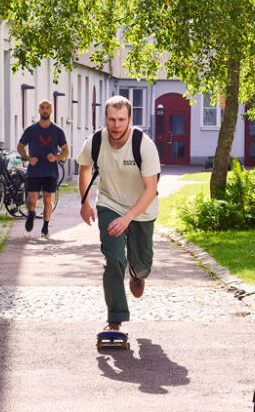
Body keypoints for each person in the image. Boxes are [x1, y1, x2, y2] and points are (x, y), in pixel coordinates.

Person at [77, 95, 160, 334]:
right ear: (105, 118)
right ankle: (115, 318)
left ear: (130, 119)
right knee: (113, 259)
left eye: (121, 119)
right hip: (110, 204)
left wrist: (128, 218)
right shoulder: (95, 141)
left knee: (142, 264)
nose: (116, 125)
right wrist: (85, 202)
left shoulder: (143, 145)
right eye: (112, 119)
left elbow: (150, 189)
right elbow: (85, 169)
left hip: (141, 210)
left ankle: (138, 274)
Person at [17, 100, 68, 237]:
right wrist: (28, 158)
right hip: (34, 171)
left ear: (51, 111)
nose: (45, 110)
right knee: (32, 200)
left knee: (47, 200)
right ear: (38, 111)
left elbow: (66, 151)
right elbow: (20, 146)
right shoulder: (31, 130)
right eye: (42, 108)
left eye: (48, 108)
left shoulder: (57, 131)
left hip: (50, 172)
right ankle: (31, 213)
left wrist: (56, 157)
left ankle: (45, 227)